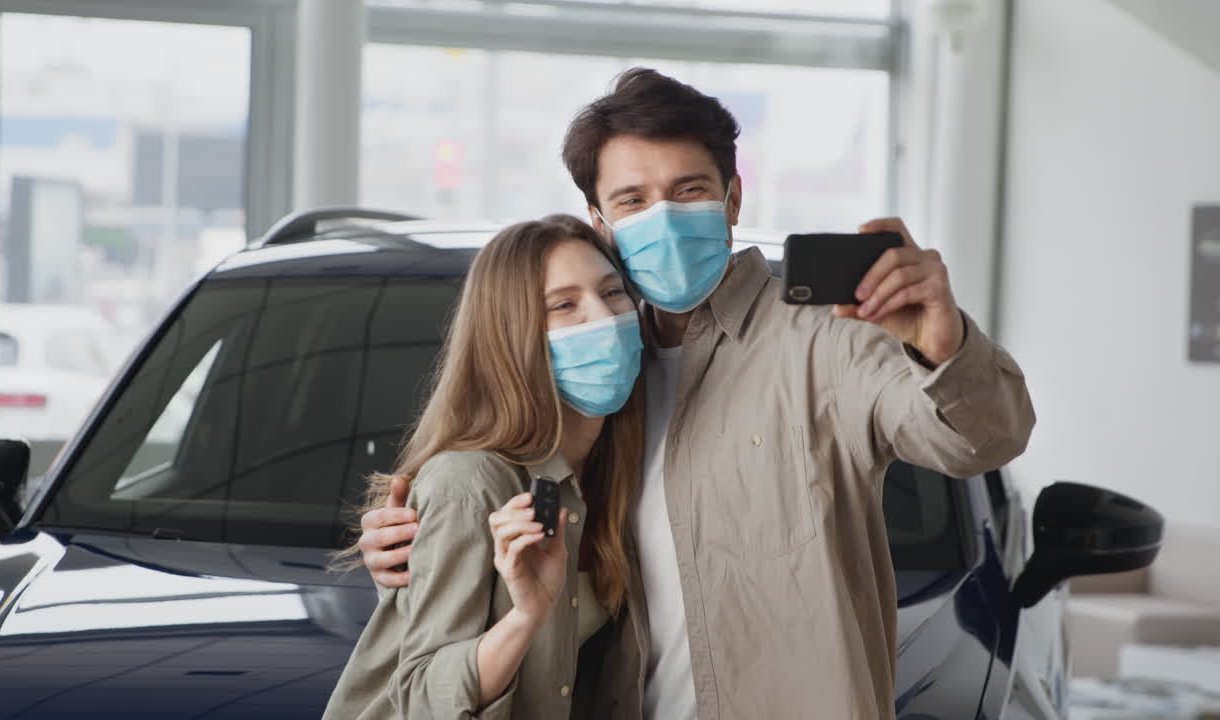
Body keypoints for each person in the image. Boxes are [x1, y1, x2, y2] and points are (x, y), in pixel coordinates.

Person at [358, 68, 1036, 719]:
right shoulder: (596, 382)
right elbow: (501, 504)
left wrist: (941, 348)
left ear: (732, 198)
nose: (663, 218)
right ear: (599, 220)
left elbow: (979, 438)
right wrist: (421, 537)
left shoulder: (827, 337)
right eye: (632, 200)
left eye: (688, 191)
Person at [323, 215, 649, 719]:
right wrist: (525, 618)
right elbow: (422, 693)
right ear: (512, 336)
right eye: (564, 305)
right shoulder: (471, 481)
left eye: (612, 293)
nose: (603, 318)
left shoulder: (623, 469)